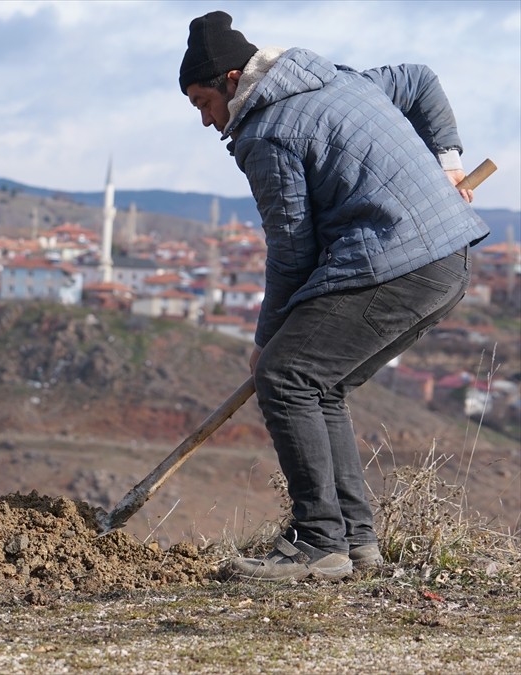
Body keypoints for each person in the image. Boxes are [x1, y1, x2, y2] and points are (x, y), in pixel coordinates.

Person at [178, 12, 489, 581]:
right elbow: (420, 79)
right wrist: (449, 164)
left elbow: (291, 249)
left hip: (397, 263)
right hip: (448, 259)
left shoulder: (266, 134)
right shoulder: (340, 81)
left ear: (232, 81)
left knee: (286, 376)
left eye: (203, 102)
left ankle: (318, 542)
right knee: (321, 384)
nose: (204, 120)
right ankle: (355, 541)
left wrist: (267, 341)